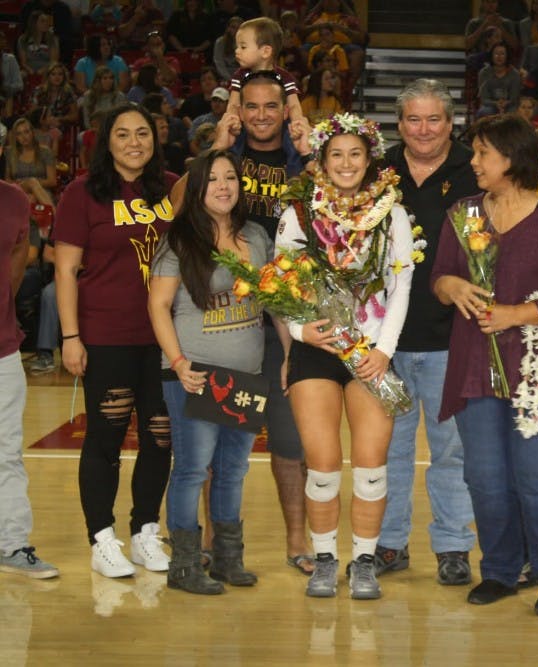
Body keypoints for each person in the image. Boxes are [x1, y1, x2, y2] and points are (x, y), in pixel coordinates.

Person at [431, 113, 538, 616]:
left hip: (536, 372)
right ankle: (499, 570)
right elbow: (440, 280)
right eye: (474, 152)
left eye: (482, 154)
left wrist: (514, 315)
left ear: (512, 160)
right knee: (484, 476)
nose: (473, 162)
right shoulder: (464, 213)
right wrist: (451, 286)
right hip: (476, 367)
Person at [175, 73, 315, 577]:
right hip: (224, 327)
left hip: (283, 318)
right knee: (215, 447)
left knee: (288, 442)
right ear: (239, 109)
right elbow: (178, 203)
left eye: (270, 106)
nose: (260, 114)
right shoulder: (225, 158)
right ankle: (215, 544)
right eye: (250, 105)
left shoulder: (302, 159)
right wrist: (217, 142)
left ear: (286, 108)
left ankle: (297, 541)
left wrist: (313, 151)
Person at [274, 112, 414, 599]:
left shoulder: (391, 212)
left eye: (356, 153)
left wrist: (384, 350)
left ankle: (365, 563)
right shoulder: (298, 214)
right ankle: (326, 559)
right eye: (337, 154)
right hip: (319, 351)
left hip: (371, 352)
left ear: (370, 158)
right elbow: (279, 285)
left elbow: (400, 287)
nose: (347, 162)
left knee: (372, 463)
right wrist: (299, 331)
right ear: (321, 160)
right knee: (323, 462)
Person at [52, 102, 177, 578]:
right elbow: (65, 269)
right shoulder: (82, 193)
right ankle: (102, 537)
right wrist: (70, 335)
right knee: (105, 438)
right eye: (122, 134)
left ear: (155, 137)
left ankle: (146, 530)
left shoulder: (169, 187)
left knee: (160, 437)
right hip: (106, 335)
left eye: (142, 132)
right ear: (107, 141)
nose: (133, 142)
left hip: (165, 338)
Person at [149, 149, 268, 595]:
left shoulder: (255, 235)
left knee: (233, 470)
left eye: (230, 178)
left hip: (246, 374)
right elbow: (157, 306)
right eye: (213, 179)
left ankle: (226, 559)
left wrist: (290, 352)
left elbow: (275, 298)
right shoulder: (180, 239)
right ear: (197, 189)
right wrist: (179, 364)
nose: (223, 186)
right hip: (195, 375)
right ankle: (184, 564)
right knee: (194, 470)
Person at [376, 79, 478, 584]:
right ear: (399, 125)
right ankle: (389, 544)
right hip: (385, 346)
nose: (423, 129)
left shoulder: (474, 171)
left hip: (452, 340)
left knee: (452, 450)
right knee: (387, 449)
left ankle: (454, 546)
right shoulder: (378, 171)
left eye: (433, 119)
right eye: (413, 120)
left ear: (451, 122)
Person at [0, 135, 59, 580]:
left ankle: (12, 543)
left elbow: (19, 258)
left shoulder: (14, 199)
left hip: (1, 348)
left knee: (7, 452)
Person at [226, 17, 305, 129]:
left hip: (280, 129)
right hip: (247, 128)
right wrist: (232, 119)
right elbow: (233, 104)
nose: (237, 51)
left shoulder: (284, 77)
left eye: (243, 47)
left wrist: (297, 122)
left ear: (265, 51)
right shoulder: (239, 76)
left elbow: (293, 106)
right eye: (237, 46)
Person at [5, 117, 57, 208]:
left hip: (42, 191)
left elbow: (52, 181)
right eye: (19, 134)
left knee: (31, 198)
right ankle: (57, 218)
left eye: (26, 132)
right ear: (16, 137)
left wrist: (33, 185)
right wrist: (27, 184)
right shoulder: (10, 153)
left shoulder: (45, 152)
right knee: (31, 184)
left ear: (32, 133)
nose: (23, 137)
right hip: (18, 188)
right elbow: (7, 180)